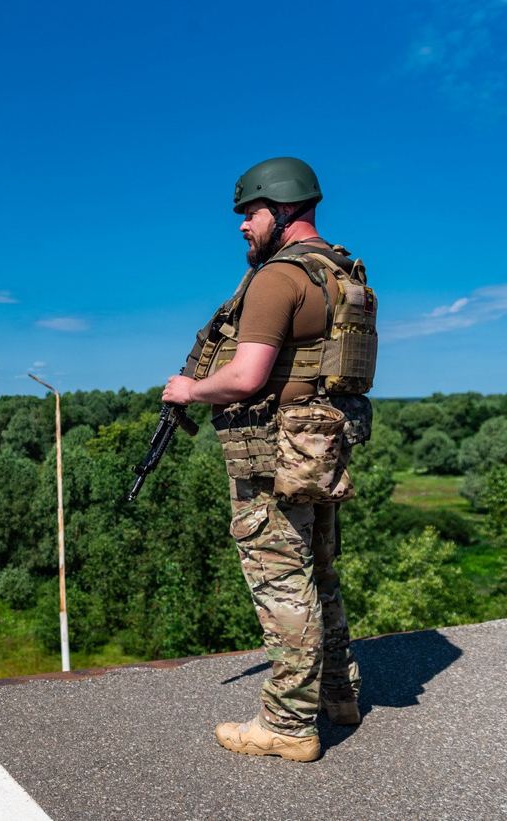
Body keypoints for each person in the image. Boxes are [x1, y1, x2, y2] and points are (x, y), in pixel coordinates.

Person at [161, 157, 378, 762]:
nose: (242, 227)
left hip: (274, 457)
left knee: (283, 583)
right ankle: (339, 693)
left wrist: (187, 391)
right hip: (318, 449)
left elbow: (245, 376)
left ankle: (286, 725)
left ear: (281, 210)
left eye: (249, 213)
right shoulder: (338, 272)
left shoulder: (277, 279)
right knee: (322, 575)